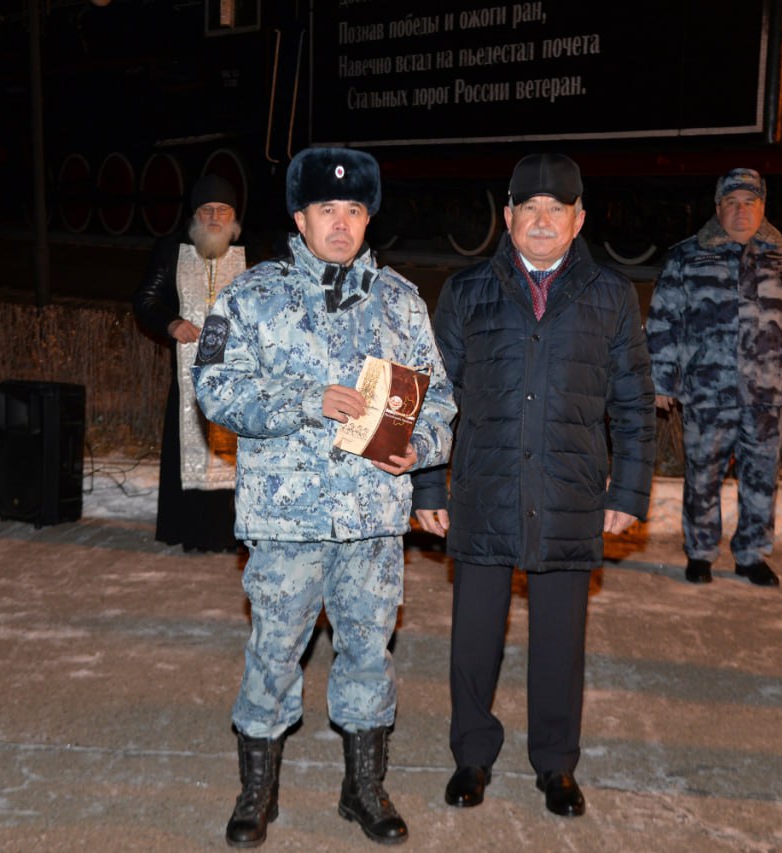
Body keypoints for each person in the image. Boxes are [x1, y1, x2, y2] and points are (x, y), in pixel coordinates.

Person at [193, 147, 455, 847]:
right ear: (300, 217)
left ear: (368, 217)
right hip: (287, 520)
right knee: (274, 651)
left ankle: (363, 787)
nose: (341, 224)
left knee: (369, 652)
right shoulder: (250, 296)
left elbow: (440, 402)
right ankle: (257, 791)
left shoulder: (401, 300)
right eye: (326, 211)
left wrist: (423, 448)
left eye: (355, 210)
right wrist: (309, 400)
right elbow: (214, 388)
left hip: (371, 522)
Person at [412, 153, 655, 819]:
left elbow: (634, 401)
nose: (542, 220)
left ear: (579, 219)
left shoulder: (610, 295)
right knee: (475, 634)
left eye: (558, 209)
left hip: (570, 492)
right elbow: (432, 397)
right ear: (509, 215)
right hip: (486, 489)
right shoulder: (466, 291)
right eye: (530, 208)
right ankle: (472, 754)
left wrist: (629, 492)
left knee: (559, 638)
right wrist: (429, 485)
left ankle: (556, 764)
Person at [646, 168, 782, 587]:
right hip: (707, 391)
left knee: (761, 478)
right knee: (702, 476)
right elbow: (662, 321)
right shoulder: (687, 257)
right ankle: (700, 552)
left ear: (763, 207)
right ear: (718, 209)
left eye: (749, 202)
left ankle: (751, 555)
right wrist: (660, 380)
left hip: (769, 392)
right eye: (731, 203)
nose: (740, 211)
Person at [133, 174, 246, 552]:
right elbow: (145, 301)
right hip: (189, 379)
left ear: (233, 216)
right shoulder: (172, 252)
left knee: (236, 449)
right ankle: (192, 533)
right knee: (189, 444)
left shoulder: (252, 255)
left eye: (223, 210)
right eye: (207, 209)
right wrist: (172, 323)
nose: (215, 217)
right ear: (196, 216)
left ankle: (233, 535)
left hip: (239, 377)